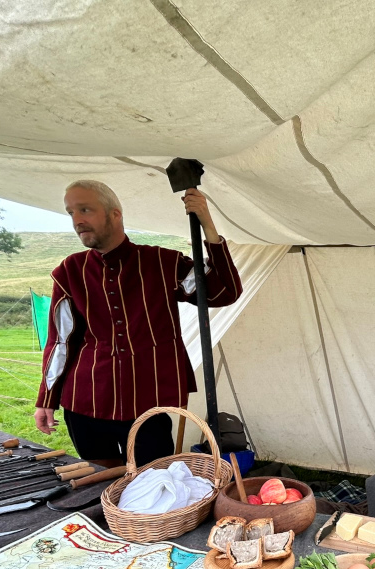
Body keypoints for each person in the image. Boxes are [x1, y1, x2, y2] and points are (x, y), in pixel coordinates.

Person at [34, 180, 242, 468]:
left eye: (85, 209)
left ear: (114, 214)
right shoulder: (70, 271)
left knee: (154, 483)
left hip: (148, 402)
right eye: (71, 213)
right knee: (103, 485)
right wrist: (47, 397)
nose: (77, 221)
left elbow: (223, 292)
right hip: (86, 403)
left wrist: (207, 224)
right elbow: (61, 341)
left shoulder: (163, 263)